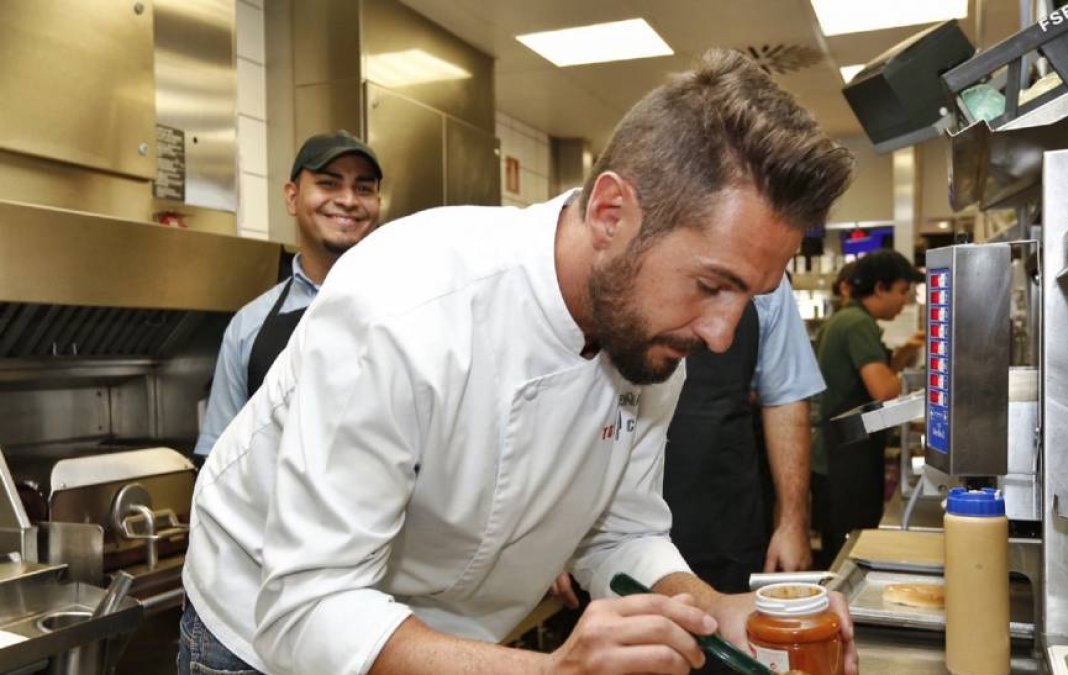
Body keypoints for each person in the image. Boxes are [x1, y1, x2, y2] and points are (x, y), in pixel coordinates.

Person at [180, 49, 856, 675]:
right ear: (613, 212)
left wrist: (714, 608)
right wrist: (554, 670)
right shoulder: (403, 307)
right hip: (260, 629)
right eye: (712, 284)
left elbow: (619, 530)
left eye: (749, 296)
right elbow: (310, 606)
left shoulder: (651, 338)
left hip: (436, 636)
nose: (720, 334)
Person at [193, 130, 383, 461]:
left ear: (377, 204)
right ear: (292, 197)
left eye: (363, 188)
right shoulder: (249, 326)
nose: (349, 200)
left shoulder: (412, 309)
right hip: (276, 513)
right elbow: (219, 462)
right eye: (329, 183)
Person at [662, 274, 823, 607]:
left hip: (723, 513)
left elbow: (786, 397)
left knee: (728, 645)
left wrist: (793, 521)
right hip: (609, 519)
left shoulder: (767, 275)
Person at [811, 249, 923, 565]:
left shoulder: (850, 319)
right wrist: (928, 386)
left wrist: (902, 356)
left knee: (840, 545)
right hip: (845, 456)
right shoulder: (857, 323)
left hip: (843, 452)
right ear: (879, 288)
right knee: (847, 552)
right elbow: (884, 389)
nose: (905, 302)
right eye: (902, 291)